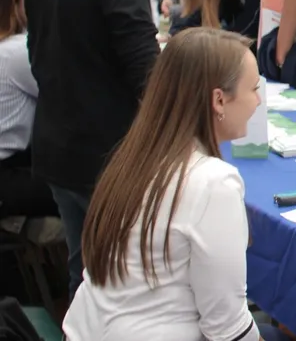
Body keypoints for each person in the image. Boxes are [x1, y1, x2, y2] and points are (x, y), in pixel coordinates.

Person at [63, 28, 284, 341]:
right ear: (219, 100)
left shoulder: (133, 156)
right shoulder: (213, 183)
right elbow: (228, 331)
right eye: (253, 89)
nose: (259, 101)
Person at [27, 0, 160, 299]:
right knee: (126, 289)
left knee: (85, 280)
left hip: (61, 152)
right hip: (112, 159)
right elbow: (148, 75)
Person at [0, 0, 57, 220]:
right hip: (9, 174)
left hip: (15, 166)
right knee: (87, 187)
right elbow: (66, 91)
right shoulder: (18, 52)